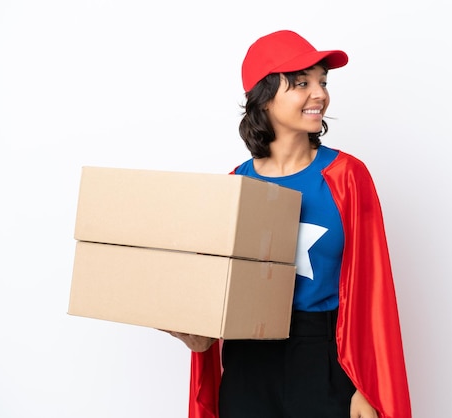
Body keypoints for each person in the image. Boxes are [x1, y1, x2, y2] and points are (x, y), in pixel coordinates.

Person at [166, 30, 411, 418]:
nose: (320, 94)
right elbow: (220, 295)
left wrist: (364, 385)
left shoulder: (347, 176)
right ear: (264, 97)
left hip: (325, 358)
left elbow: (372, 288)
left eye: (323, 82)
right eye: (302, 83)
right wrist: (199, 338)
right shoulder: (234, 186)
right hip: (248, 363)